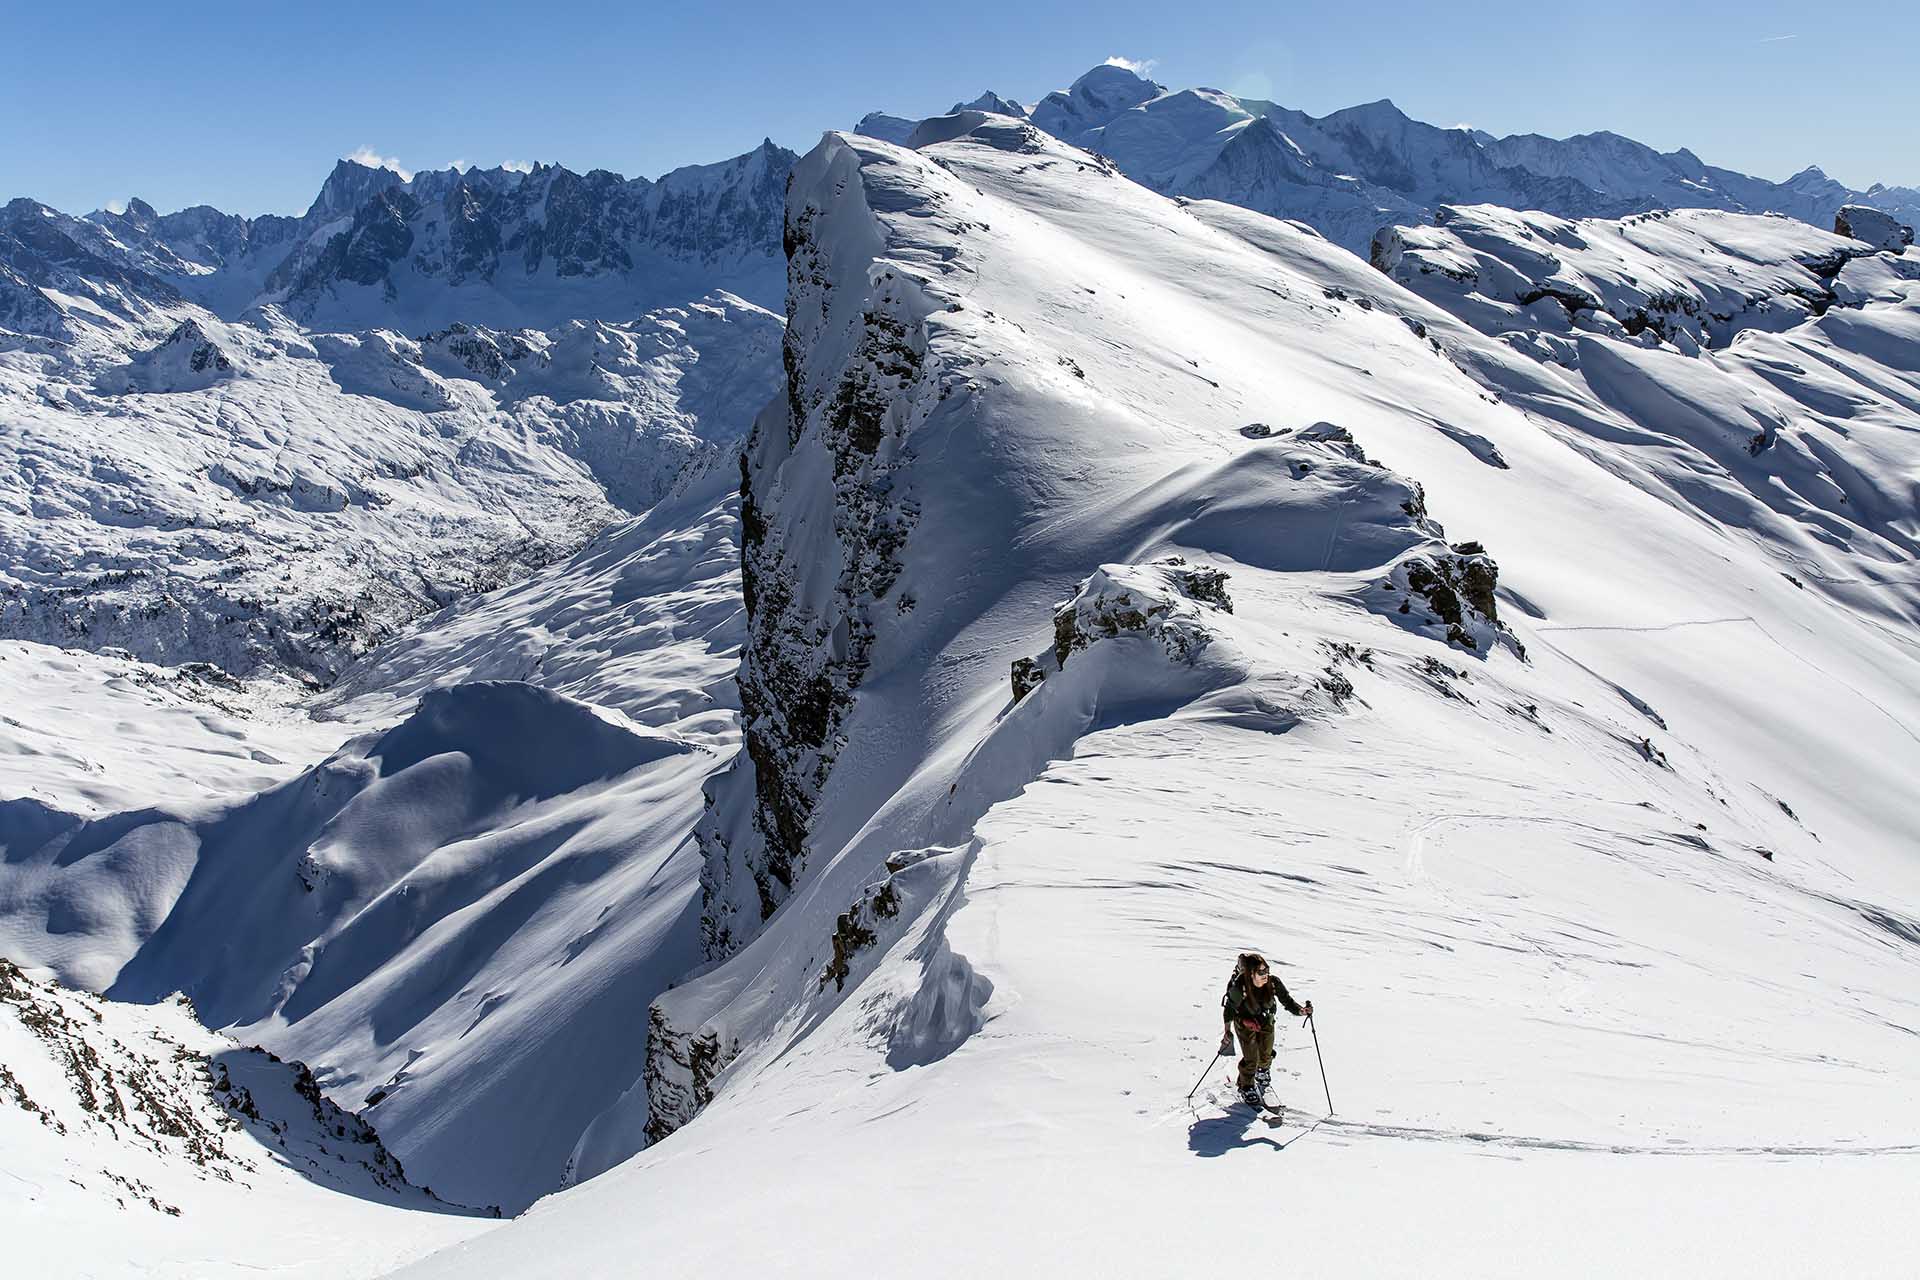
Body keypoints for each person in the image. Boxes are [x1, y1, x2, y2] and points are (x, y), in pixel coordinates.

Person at [1218, 951, 1311, 1108]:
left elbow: (1287, 1001)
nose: (1265, 974)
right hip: (1244, 1022)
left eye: (1266, 970)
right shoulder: (1241, 986)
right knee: (1251, 1057)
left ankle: (1262, 1075)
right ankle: (1246, 1086)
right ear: (1251, 973)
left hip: (1266, 1020)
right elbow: (1230, 1008)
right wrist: (1227, 1031)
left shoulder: (1273, 983)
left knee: (1266, 1053)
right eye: (1261, 971)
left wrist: (1302, 1011)